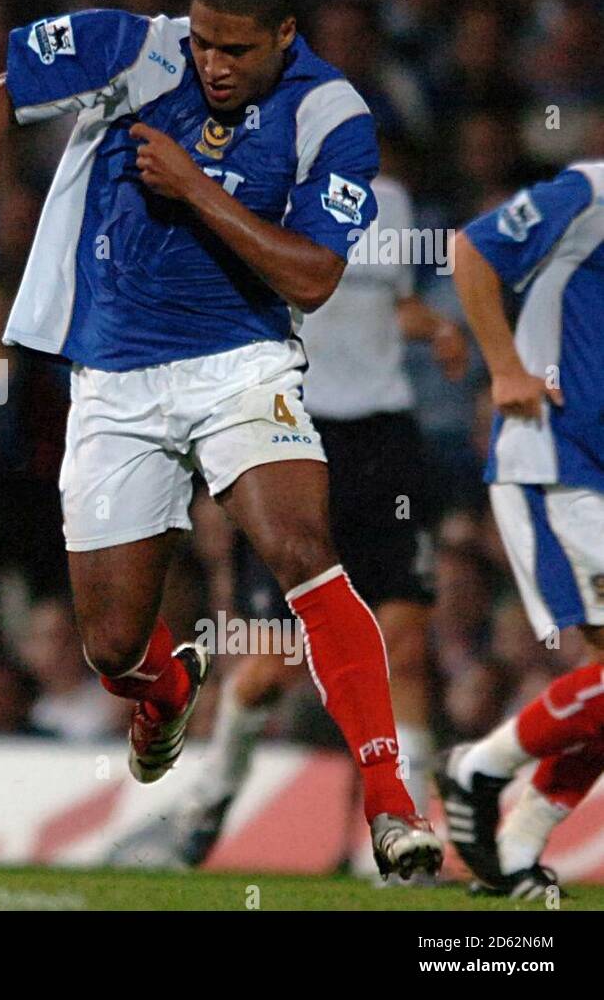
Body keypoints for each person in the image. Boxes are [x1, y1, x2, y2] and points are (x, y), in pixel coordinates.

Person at [0, 0, 442, 877]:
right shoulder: (133, 47)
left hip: (240, 364)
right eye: (203, 44)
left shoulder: (331, 116)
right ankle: (162, 691)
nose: (213, 65)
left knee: (302, 552)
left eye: (237, 50)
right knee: (112, 646)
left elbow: (315, 276)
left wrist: (195, 190)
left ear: (286, 36)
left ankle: (391, 804)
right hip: (112, 377)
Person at [153, 174, 467, 870]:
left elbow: (394, 305)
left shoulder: (393, 198)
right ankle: (217, 786)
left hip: (385, 440)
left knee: (404, 647)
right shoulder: (258, 194)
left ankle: (394, 851)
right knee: (273, 666)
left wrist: (437, 327)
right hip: (290, 431)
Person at [437, 161, 604, 899]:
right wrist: (505, 367)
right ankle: (481, 768)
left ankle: (516, 848)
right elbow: (472, 248)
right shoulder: (591, 191)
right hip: (554, 459)